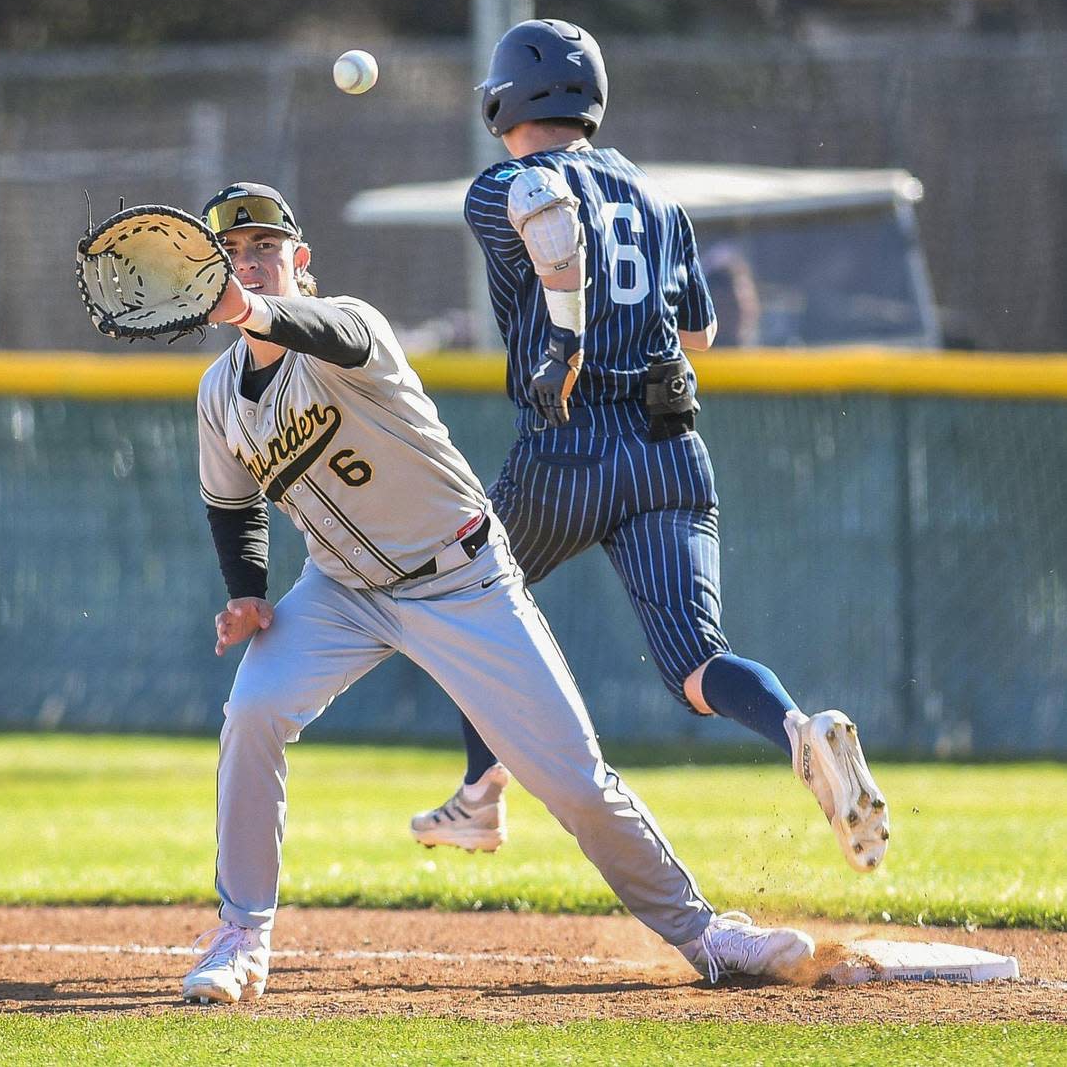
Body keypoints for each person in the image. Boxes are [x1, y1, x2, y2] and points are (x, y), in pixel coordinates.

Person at [178, 180, 816, 1004]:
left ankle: (705, 934)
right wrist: (248, 593)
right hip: (338, 590)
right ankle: (240, 936)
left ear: (300, 260)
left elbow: (311, 328)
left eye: (263, 248)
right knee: (253, 712)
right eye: (230, 255)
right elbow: (232, 505)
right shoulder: (218, 395)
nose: (248, 265)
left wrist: (247, 308)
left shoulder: (353, 326)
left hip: (460, 578)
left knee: (573, 779)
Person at [409, 20, 890, 877]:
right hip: (669, 450)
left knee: (465, 596)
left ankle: (480, 798)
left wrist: (566, 330)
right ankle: (796, 731)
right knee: (698, 663)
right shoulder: (660, 201)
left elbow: (538, 210)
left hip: (568, 445)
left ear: (504, 97)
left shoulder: (504, 182)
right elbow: (699, 331)